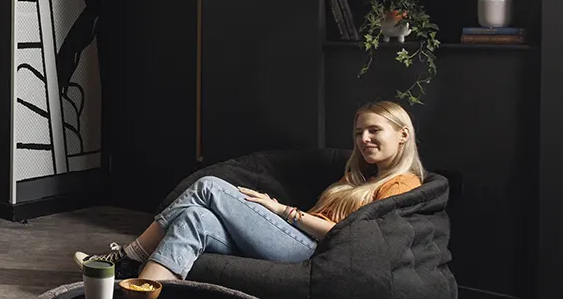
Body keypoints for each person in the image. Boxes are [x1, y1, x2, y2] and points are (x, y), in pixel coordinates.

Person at [75, 101, 425, 282]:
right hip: (297, 237)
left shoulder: (403, 184)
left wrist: (284, 212)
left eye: (374, 131)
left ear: (402, 135)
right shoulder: (361, 177)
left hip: (315, 252)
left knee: (209, 187)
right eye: (359, 133)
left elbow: (353, 239)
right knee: (194, 218)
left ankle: (129, 256)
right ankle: (144, 298)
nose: (364, 139)